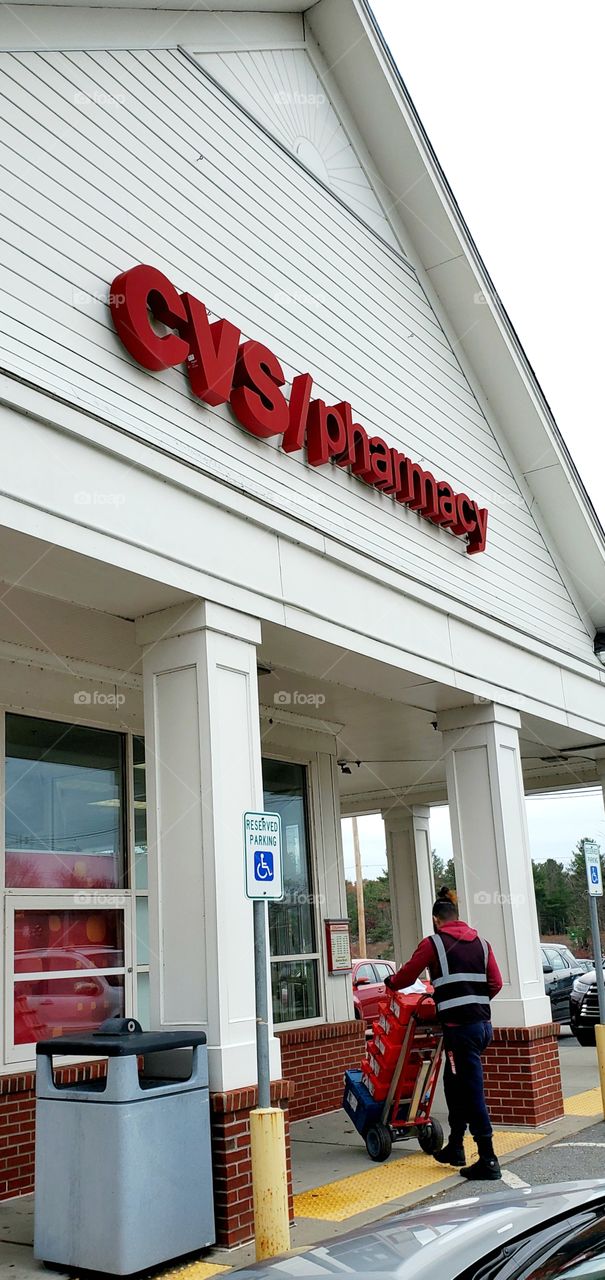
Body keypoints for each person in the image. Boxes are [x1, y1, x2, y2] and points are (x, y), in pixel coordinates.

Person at [385, 886, 503, 1180]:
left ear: (437, 920)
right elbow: (496, 983)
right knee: (453, 1084)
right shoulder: (482, 944)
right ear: (457, 917)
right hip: (482, 1027)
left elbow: (407, 976)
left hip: (459, 1031)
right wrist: (473, 999)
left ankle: (488, 1158)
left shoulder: (434, 944)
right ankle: (455, 1146)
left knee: (471, 1092)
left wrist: (390, 982)